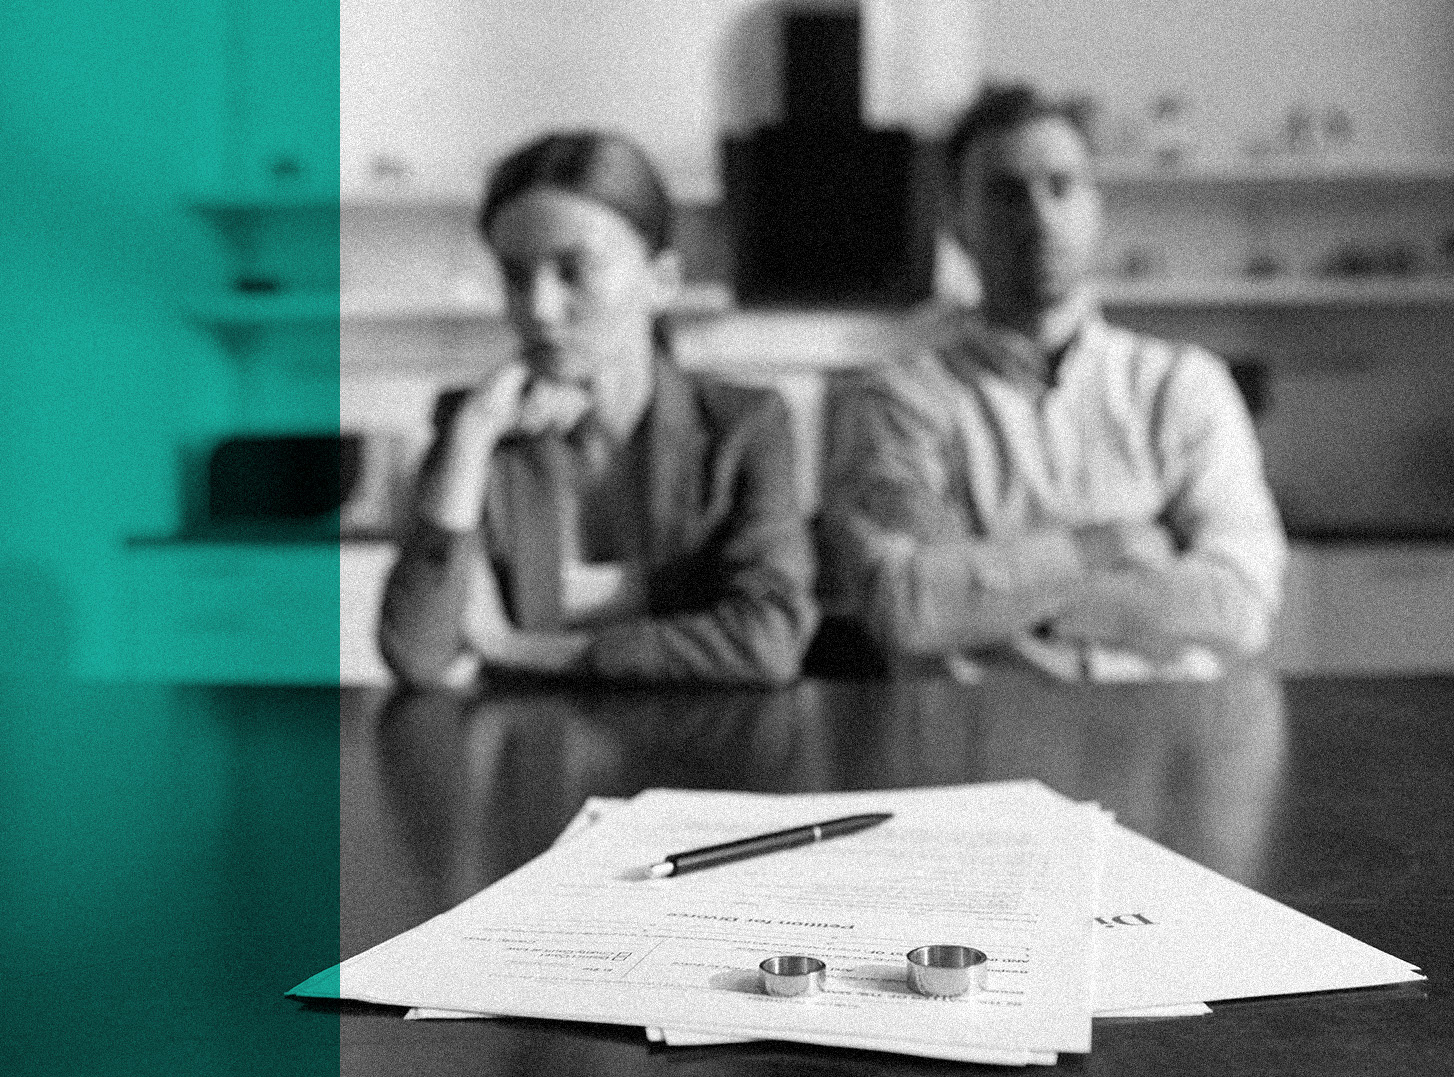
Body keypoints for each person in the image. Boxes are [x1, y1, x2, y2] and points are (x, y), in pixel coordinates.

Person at [817, 86, 1287, 681]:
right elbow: (903, 606)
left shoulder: (1182, 385)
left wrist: (988, 600)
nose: (1038, 217)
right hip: (975, 750)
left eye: (1061, 187)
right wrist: (1103, 549)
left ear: (1097, 207)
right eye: (1006, 195)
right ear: (957, 221)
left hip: (1162, 749)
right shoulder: (896, 399)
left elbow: (1241, 603)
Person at [380, 132, 816, 688]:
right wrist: (471, 437)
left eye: (573, 270)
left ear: (662, 281)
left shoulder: (744, 425)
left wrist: (532, 653)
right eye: (515, 277)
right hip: (534, 755)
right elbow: (417, 656)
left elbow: (769, 640)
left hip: (702, 749)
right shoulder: (476, 423)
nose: (539, 309)